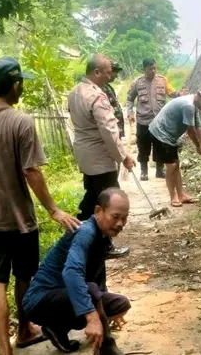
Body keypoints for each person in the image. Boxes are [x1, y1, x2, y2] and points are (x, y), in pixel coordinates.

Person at [0, 56, 81, 355]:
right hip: (18, 218)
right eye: (20, 82)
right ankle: (23, 331)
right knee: (24, 275)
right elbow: (32, 171)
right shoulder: (21, 121)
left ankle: (3, 347)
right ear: (15, 85)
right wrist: (53, 209)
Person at [23, 188, 131, 355]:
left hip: (66, 295)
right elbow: (71, 273)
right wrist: (92, 317)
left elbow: (96, 276)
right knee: (90, 291)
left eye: (124, 218)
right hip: (39, 300)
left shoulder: (102, 236)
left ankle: (56, 328)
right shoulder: (85, 232)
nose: (120, 224)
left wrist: (103, 310)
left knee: (120, 304)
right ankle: (106, 347)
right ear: (98, 211)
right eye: (115, 217)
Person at [69, 54, 135, 260]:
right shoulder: (97, 96)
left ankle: (76, 235)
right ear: (96, 72)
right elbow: (108, 131)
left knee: (92, 196)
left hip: (84, 154)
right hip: (100, 157)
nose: (110, 74)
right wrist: (123, 156)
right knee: (108, 202)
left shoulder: (74, 92)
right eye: (107, 71)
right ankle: (103, 245)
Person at [149, 87, 201, 207]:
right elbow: (190, 130)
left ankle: (182, 195)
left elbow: (198, 126)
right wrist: (198, 147)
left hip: (170, 135)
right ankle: (173, 197)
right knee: (171, 165)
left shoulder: (194, 105)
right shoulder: (188, 105)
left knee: (176, 164)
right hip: (161, 133)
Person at [126, 57, 187, 181]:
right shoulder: (137, 83)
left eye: (154, 68)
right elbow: (129, 98)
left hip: (159, 122)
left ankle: (159, 170)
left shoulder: (163, 81)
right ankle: (144, 172)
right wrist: (130, 113)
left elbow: (172, 93)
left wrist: (181, 94)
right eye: (150, 69)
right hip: (144, 121)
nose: (153, 71)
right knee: (143, 146)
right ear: (144, 70)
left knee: (160, 146)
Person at [102, 61, 126, 139]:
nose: (116, 75)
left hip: (116, 129)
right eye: (115, 72)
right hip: (111, 131)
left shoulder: (107, 86)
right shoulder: (100, 88)